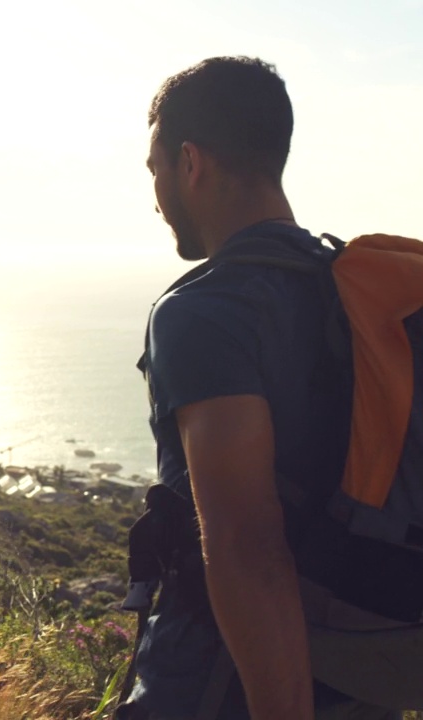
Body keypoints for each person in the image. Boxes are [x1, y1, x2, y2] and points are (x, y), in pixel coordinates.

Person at [120, 57, 405, 719]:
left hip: (223, 687)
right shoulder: (354, 293)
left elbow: (248, 546)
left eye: (156, 169)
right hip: (363, 677)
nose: (157, 192)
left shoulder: (203, 312)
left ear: (190, 163)